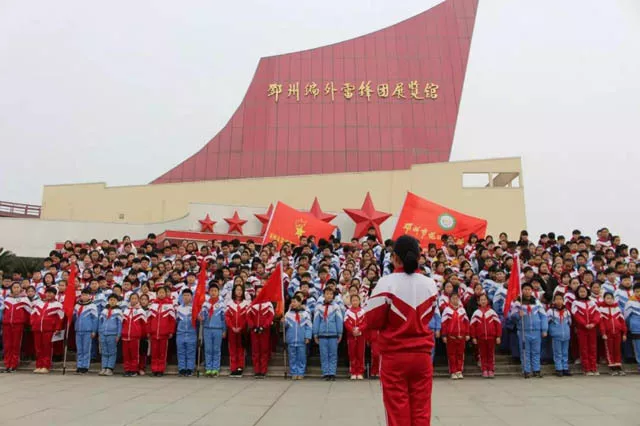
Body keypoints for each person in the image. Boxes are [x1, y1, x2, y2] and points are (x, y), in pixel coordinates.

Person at [364, 235, 438, 426]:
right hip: (422, 356)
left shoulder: (386, 283)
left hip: (394, 355)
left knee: (397, 412)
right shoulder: (430, 284)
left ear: (395, 257)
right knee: (421, 410)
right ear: (419, 257)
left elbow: (372, 320)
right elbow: (430, 315)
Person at [509, 282, 548, 378]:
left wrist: (544, 329)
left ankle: (536, 370)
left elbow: (543, 316)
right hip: (524, 331)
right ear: (522, 291)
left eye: (529, 289)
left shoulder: (537, 302)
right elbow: (512, 317)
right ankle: (526, 370)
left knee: (536, 351)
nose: (527, 291)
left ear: (531, 291)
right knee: (525, 352)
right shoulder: (518, 303)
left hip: (536, 331)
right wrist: (518, 315)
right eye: (525, 289)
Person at [313, 286, 343, 381]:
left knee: (333, 354)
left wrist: (340, 333)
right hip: (322, 335)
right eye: (327, 294)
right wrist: (315, 334)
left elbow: (339, 320)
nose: (329, 295)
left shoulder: (336, 307)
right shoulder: (319, 307)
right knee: (324, 355)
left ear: (333, 296)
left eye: (331, 294)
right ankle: (325, 373)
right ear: (323, 295)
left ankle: (332, 373)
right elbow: (316, 321)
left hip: (333, 334)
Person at [31, 287, 63, 374]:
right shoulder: (38, 303)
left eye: (51, 293)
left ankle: (46, 366)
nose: (48, 294)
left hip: (49, 330)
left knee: (47, 348)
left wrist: (57, 328)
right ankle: (39, 365)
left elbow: (60, 318)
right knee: (38, 348)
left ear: (55, 294)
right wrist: (33, 324)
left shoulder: (58, 305)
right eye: (47, 292)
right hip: (37, 329)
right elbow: (32, 314)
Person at [571, 285, 601, 376]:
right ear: (577, 293)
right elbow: (576, 315)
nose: (582, 293)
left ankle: (593, 367)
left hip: (592, 328)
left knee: (593, 348)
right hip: (582, 329)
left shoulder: (592, 302)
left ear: (587, 292)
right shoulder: (575, 303)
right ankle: (586, 368)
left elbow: (597, 314)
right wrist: (584, 324)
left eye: (584, 291)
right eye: (580, 292)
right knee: (584, 348)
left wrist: (593, 323)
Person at [470, 293, 501, 378]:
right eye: (481, 300)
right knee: (482, 355)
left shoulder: (492, 312)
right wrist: (473, 337)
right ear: (478, 302)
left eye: (484, 299)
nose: (483, 301)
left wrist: (498, 336)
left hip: (491, 337)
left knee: (491, 354)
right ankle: (484, 370)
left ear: (487, 301)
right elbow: (472, 326)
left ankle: (491, 370)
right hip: (481, 338)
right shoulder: (476, 313)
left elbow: (498, 324)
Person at [2, 282, 31, 373]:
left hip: (18, 325)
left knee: (16, 345)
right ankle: (7, 364)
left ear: (20, 288)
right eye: (14, 287)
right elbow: (3, 311)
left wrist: (25, 321)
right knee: (7, 345)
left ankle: (14, 365)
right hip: (7, 325)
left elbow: (30, 311)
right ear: (11, 289)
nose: (16, 289)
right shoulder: (7, 299)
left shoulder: (24, 299)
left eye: (18, 287)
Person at [148, 286, 176, 377]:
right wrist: (149, 331)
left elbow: (172, 320)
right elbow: (149, 319)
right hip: (154, 333)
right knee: (154, 352)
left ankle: (160, 369)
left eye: (163, 292)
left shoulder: (169, 306)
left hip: (164, 333)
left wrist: (171, 331)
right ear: (157, 294)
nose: (161, 294)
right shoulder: (153, 305)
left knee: (162, 353)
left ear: (166, 294)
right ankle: (154, 369)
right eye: (159, 292)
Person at [247, 287, 275, 378]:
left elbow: (270, 316)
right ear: (255, 293)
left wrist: (264, 326)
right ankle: (257, 370)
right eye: (258, 291)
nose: (259, 293)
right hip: (254, 331)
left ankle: (263, 370)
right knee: (255, 351)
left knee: (264, 351)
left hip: (264, 331)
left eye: (261, 291)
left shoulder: (268, 304)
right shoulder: (252, 304)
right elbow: (248, 316)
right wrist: (253, 326)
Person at [441, 292, 470, 379]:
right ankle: (453, 371)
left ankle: (459, 371)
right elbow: (444, 324)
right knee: (452, 355)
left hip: (461, 337)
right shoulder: (447, 310)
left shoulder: (462, 310)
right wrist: (444, 335)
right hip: (451, 337)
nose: (455, 300)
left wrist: (467, 333)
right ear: (450, 300)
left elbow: (466, 323)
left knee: (460, 354)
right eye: (453, 298)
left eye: (456, 298)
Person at [200, 283, 226, 377]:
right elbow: (202, 315)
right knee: (208, 349)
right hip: (207, 329)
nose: (213, 292)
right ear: (209, 292)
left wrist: (224, 330)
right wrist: (200, 317)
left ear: (218, 292)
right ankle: (208, 368)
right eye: (211, 291)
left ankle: (215, 368)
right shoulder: (205, 304)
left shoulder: (222, 304)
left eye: (215, 291)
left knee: (216, 349)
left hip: (218, 329)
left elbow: (224, 319)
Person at [284, 295, 312, 380]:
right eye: (292, 302)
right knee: (292, 357)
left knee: (301, 357)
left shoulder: (305, 314)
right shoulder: (288, 314)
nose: (293, 304)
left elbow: (309, 326)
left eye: (294, 302)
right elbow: (285, 327)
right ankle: (293, 372)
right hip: (291, 339)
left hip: (301, 339)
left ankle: (300, 372)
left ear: (300, 302)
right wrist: (283, 322)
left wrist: (307, 337)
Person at [599, 292, 627, 375]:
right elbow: (601, 323)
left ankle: (618, 365)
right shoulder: (601, 309)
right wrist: (603, 333)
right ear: (604, 299)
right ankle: (612, 367)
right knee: (609, 350)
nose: (609, 300)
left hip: (617, 333)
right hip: (608, 334)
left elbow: (622, 322)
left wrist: (624, 333)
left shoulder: (617, 309)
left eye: (611, 298)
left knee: (617, 350)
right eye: (607, 298)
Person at [225, 284, 249, 377]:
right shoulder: (229, 303)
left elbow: (247, 317)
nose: (239, 292)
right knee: (232, 349)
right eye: (237, 290)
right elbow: (227, 317)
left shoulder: (246, 303)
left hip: (242, 331)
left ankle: (240, 367)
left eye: (240, 290)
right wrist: (232, 327)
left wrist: (241, 327)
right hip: (232, 331)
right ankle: (233, 368)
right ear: (234, 291)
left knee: (241, 349)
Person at [73, 288, 98, 374]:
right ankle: (79, 365)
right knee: (79, 349)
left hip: (88, 330)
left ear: (89, 296)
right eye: (82, 295)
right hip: (78, 330)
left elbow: (95, 319)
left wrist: (94, 330)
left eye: (86, 295)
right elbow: (74, 317)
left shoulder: (92, 306)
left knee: (86, 349)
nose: (84, 297)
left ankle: (85, 366)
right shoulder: (77, 305)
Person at [121, 293, 146, 377]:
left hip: (135, 336)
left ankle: (134, 370)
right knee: (126, 354)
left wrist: (141, 334)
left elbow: (144, 325)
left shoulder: (141, 311)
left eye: (135, 298)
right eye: (132, 298)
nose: (134, 300)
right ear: (130, 299)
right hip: (125, 336)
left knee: (134, 354)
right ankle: (127, 369)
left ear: (138, 300)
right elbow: (123, 323)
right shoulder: (126, 310)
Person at [547, 293, 572, 377]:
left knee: (565, 352)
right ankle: (559, 368)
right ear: (554, 301)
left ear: (563, 301)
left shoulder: (567, 311)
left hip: (566, 335)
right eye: (557, 299)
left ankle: (565, 368)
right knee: (558, 352)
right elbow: (547, 322)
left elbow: (570, 322)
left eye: (560, 299)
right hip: (556, 335)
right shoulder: (551, 311)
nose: (559, 301)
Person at [98, 294, 123, 376]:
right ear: (108, 301)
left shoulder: (118, 312)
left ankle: (110, 368)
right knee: (104, 351)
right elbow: (100, 322)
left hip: (113, 334)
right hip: (103, 334)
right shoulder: (104, 311)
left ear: (117, 301)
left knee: (112, 351)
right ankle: (104, 367)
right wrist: (100, 332)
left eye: (114, 300)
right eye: (111, 300)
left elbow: (119, 324)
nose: (112, 301)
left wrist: (118, 335)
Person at [344, 294, 366, 380]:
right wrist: (352, 330)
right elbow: (346, 323)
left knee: (360, 354)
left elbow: (365, 323)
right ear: (351, 302)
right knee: (352, 354)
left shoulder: (363, 311)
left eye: (356, 300)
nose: (355, 302)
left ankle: (360, 372)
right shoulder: (348, 312)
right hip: (351, 336)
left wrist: (359, 329)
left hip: (361, 336)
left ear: (359, 301)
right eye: (353, 300)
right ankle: (353, 372)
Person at [176, 289, 197, 377]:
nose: (186, 297)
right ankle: (182, 369)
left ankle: (190, 369)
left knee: (190, 352)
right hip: (180, 334)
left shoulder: (194, 308)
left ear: (191, 297)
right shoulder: (178, 308)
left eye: (188, 295)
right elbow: (176, 321)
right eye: (184, 295)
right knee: (181, 352)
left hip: (191, 333)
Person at [623, 283, 640, 370]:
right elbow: (626, 316)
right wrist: (631, 325)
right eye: (637, 291)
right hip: (636, 328)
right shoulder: (630, 302)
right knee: (638, 347)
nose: (639, 293)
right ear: (634, 292)